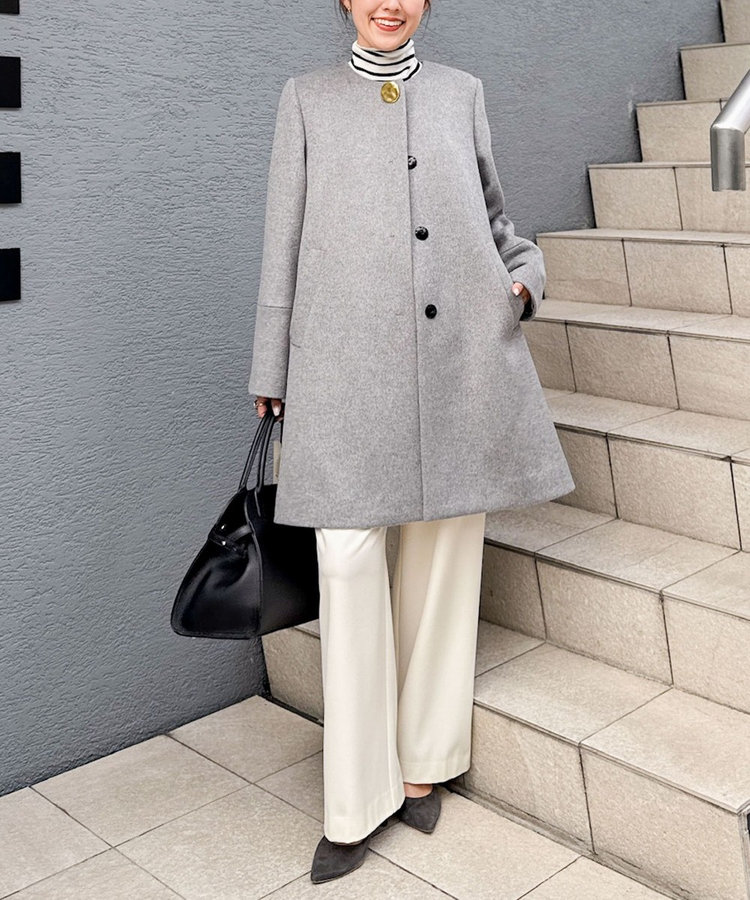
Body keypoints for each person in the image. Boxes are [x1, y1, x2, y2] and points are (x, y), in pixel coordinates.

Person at [248, 0, 575, 884]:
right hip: (343, 376)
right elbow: (282, 240)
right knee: (349, 569)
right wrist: (270, 366)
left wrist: (522, 284)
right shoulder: (306, 98)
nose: (388, 3)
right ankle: (354, 803)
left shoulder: (462, 92)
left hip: (460, 364)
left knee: (444, 562)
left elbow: (498, 225)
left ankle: (425, 762)